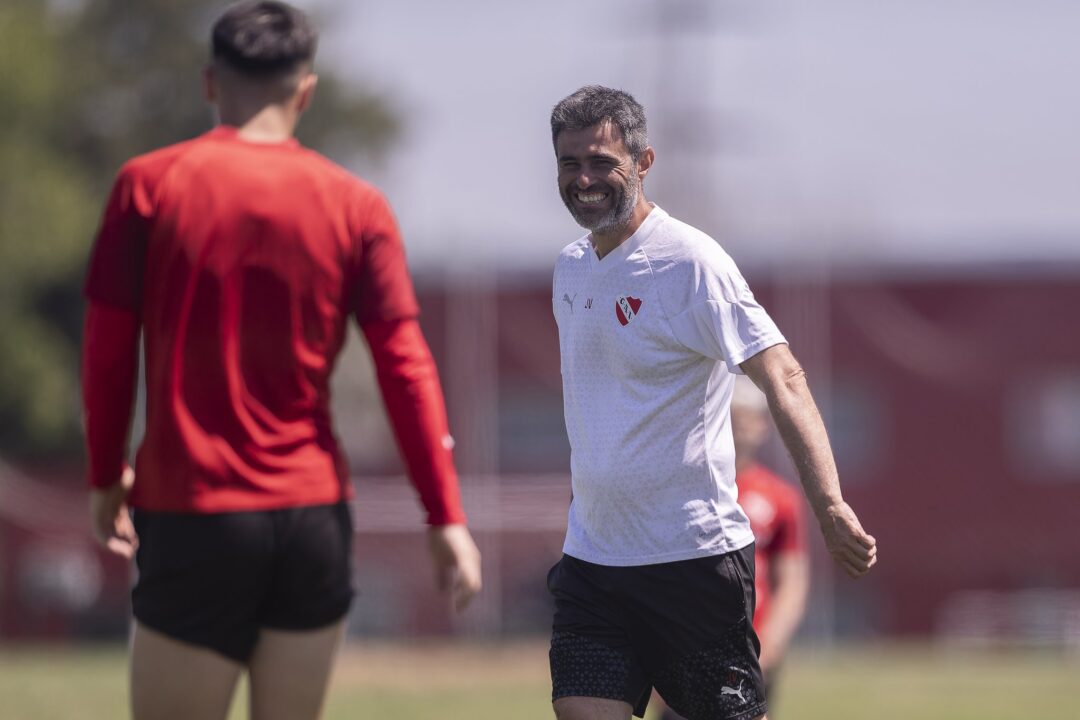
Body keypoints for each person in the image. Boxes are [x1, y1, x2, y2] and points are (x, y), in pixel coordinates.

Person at [82, 3, 481, 719]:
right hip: (311, 519)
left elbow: (107, 353)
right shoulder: (357, 204)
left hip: (193, 509)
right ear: (306, 91)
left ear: (210, 83)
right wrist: (444, 513)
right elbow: (406, 367)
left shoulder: (148, 184)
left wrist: (106, 471)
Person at [546, 85, 876, 720]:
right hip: (593, 565)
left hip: (692, 566)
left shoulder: (690, 264)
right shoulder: (571, 269)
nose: (584, 179)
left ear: (642, 163)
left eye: (602, 163)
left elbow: (784, 377)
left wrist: (829, 503)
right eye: (569, 163)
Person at [659, 377, 810, 720]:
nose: (737, 429)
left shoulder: (779, 497)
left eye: (745, 419)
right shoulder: (682, 491)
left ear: (762, 426)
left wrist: (770, 643)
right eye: (729, 417)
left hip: (748, 649)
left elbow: (792, 581)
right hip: (686, 646)